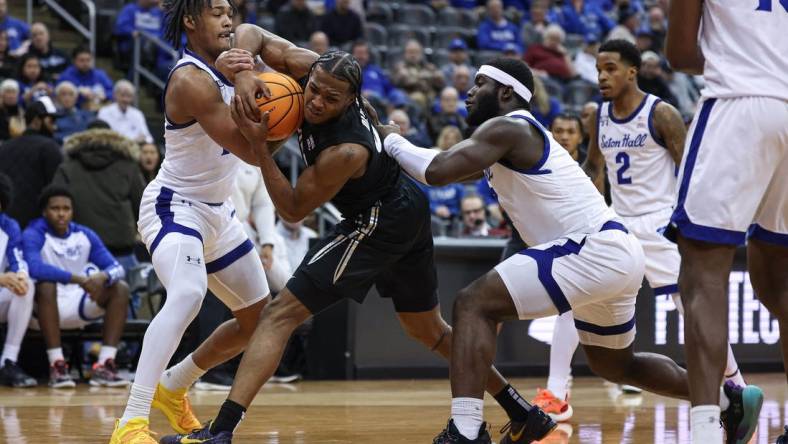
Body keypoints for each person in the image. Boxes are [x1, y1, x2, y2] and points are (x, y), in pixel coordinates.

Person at [160, 23, 554, 443]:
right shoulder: (307, 69)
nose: (316, 102)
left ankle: (221, 433)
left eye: (331, 99)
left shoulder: (345, 149)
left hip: (379, 218)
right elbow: (250, 32)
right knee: (428, 330)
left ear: (352, 101)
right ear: (308, 76)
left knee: (280, 314)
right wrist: (244, 74)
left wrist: (260, 148)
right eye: (314, 90)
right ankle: (521, 410)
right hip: (407, 204)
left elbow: (292, 208)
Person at [378, 57, 760, 444]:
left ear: (506, 92)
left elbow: (437, 171)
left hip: (592, 248)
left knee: (472, 303)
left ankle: (466, 430)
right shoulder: (504, 140)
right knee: (615, 364)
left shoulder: (509, 127)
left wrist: (390, 138)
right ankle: (727, 402)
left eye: (480, 84)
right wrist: (395, 143)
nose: (470, 92)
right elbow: (437, 163)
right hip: (614, 251)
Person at [109, 0, 273, 440]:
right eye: (217, 10)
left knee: (261, 322)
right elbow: (250, 149)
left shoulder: (235, 55)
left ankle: (174, 384)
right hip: (174, 206)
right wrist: (259, 87)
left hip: (221, 214)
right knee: (188, 293)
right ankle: (131, 423)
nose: (227, 18)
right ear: (190, 19)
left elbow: (276, 49)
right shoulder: (189, 80)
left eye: (230, 11)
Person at [666, 0, 787, 441]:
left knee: (702, 276)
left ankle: (704, 430)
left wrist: (734, 52)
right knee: (782, 285)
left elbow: (679, 54)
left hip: (738, 105)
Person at [23, 185, 130, 388]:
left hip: (79, 300)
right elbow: (34, 268)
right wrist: (78, 279)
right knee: (46, 286)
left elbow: (116, 267)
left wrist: (103, 276)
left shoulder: (84, 234)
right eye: (56, 209)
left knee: (120, 288)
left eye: (66, 208)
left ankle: (104, 365)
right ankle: (57, 365)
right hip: (44, 308)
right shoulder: (33, 233)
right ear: (45, 212)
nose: (62, 213)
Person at [51, 125, 146, 273]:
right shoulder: (128, 165)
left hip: (80, 247)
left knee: (81, 295)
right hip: (121, 246)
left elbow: (55, 200)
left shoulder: (68, 166)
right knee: (127, 293)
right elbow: (141, 204)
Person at [0, 96, 62, 227]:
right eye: (51, 120)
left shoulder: (5, 146)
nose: (54, 126)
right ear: (37, 121)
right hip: (38, 225)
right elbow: (56, 187)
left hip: (7, 224)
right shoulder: (50, 147)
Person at [0, 174, 36, 388]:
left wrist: (20, 275)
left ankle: (8, 361)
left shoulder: (8, 226)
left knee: (26, 287)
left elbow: (17, 257)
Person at [57, 47, 114, 111]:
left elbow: (112, 91)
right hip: (74, 113)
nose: (85, 63)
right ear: (74, 61)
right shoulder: (66, 76)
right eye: (82, 60)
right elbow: (58, 95)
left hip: (98, 111)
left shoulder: (100, 75)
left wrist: (105, 96)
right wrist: (78, 93)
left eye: (88, 60)